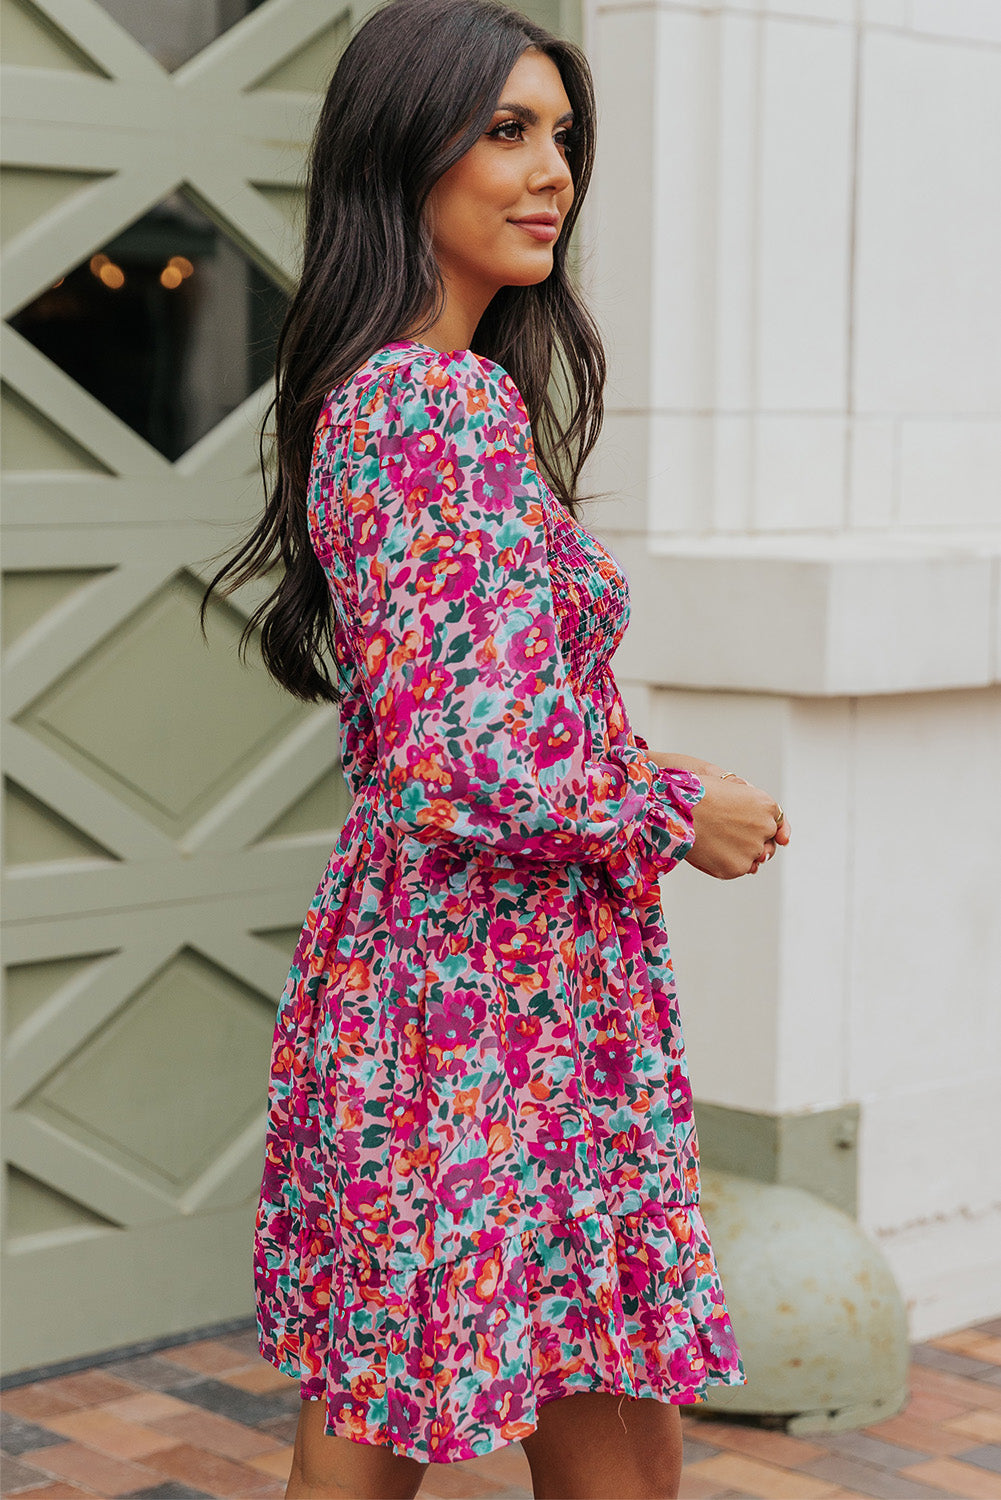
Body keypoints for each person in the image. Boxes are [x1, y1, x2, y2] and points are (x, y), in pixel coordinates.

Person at [201, 1, 791, 1495]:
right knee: (580, 1440)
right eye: (506, 132)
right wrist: (681, 808)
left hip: (441, 991)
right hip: (494, 1014)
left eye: (564, 138)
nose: (551, 174)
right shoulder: (432, 407)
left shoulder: (384, 400)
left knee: (384, 1396)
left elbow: (474, 720)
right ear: (402, 157)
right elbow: (461, 762)